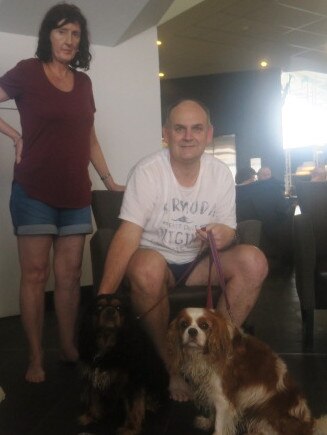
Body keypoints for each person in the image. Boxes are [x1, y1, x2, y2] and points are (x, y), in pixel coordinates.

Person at [97, 99, 268, 401]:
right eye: (179, 129)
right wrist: (103, 298)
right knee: (147, 267)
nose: (188, 136)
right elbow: (127, 236)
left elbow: (229, 232)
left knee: (254, 262)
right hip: (157, 264)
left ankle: (211, 357)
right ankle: (171, 369)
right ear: (166, 133)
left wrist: (223, 234)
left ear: (209, 133)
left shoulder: (220, 174)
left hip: (198, 264)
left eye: (196, 128)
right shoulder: (148, 171)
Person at [0, 3, 124, 383]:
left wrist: (107, 180)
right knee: (35, 276)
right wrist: (15, 134)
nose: (69, 40)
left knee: (69, 278)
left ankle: (69, 346)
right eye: (61, 31)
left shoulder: (83, 83)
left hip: (75, 194)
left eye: (75, 33)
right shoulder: (27, 72)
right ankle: (36, 357)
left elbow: (88, 136)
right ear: (48, 35)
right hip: (33, 191)